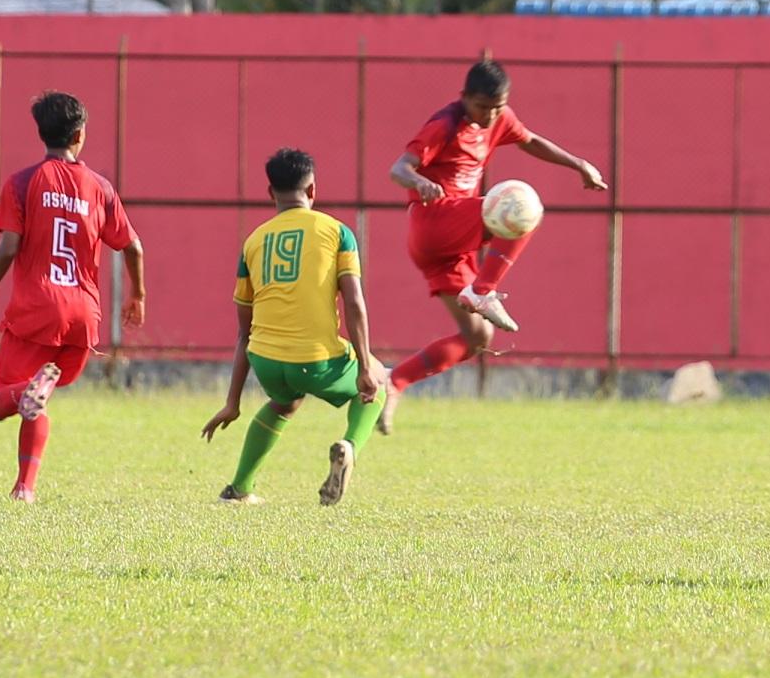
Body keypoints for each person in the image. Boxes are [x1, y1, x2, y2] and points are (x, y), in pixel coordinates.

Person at [379, 59, 607, 434]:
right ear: (465, 98)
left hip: (452, 248)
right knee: (521, 205)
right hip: (434, 222)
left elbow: (531, 141)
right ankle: (483, 290)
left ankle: (395, 382)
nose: (489, 115)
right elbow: (398, 168)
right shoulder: (445, 125)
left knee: (477, 338)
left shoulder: (500, 119)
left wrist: (579, 164)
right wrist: (418, 182)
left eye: (497, 107)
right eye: (482, 106)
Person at [0, 91, 145, 504]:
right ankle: (25, 488)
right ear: (79, 134)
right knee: (34, 402)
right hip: (83, 316)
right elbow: (133, 247)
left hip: (37, 310)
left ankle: (27, 394)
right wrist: (138, 296)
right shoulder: (100, 187)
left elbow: (8, 248)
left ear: (42, 134)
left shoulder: (22, 183)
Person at [202, 148, 385, 507]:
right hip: (314, 359)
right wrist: (365, 366)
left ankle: (238, 489)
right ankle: (349, 446)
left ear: (270, 193)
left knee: (285, 402)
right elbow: (354, 303)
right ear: (313, 190)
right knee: (379, 382)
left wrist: (232, 402)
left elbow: (244, 330)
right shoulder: (337, 232)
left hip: (267, 363)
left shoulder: (252, 242)